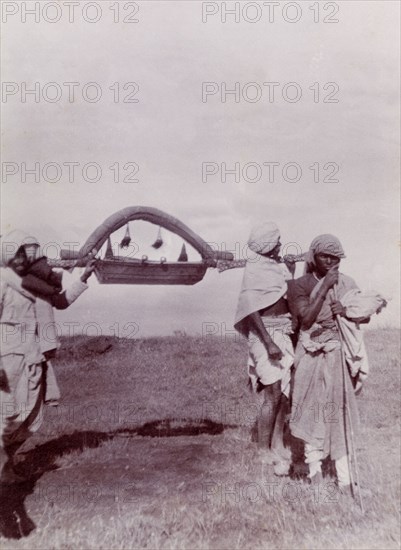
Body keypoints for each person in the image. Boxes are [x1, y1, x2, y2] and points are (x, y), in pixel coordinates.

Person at [287, 234, 386, 493]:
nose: (331, 261)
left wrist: (351, 311)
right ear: (313, 257)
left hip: (338, 354)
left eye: (336, 256)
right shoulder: (300, 284)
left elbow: (360, 318)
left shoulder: (348, 283)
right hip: (310, 355)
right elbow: (306, 319)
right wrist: (324, 288)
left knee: (338, 412)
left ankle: (344, 480)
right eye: (324, 256)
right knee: (311, 410)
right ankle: (315, 471)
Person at [0, 230, 94, 485]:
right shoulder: (4, 282)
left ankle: (6, 466)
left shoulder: (40, 283)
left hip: (36, 356)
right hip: (9, 360)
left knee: (32, 417)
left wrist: (83, 278)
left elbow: (61, 302)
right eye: (23, 251)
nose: (29, 256)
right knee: (9, 415)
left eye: (33, 251)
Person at [234, 222, 294, 475]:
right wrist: (268, 342)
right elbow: (251, 310)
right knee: (273, 392)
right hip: (265, 334)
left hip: (284, 331)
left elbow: (286, 295)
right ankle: (262, 449)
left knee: (284, 393)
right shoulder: (254, 271)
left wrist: (291, 269)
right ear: (268, 245)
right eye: (277, 242)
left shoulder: (277, 267)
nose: (280, 245)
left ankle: (277, 442)